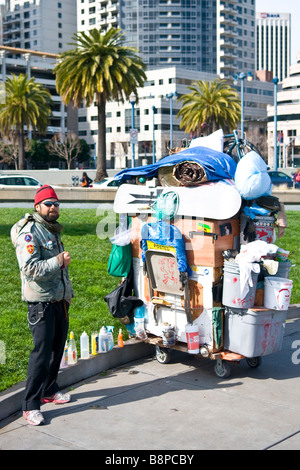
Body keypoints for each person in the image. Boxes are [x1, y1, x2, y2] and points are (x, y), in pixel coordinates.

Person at [11, 185, 74, 426]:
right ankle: (30, 405)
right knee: (41, 354)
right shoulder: (30, 233)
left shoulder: (52, 229)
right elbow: (30, 269)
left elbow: (60, 271)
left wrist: (68, 292)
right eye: (48, 204)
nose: (53, 207)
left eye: (56, 204)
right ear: (37, 207)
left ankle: (49, 390)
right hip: (41, 303)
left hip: (59, 300)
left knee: (56, 349)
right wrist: (58, 261)